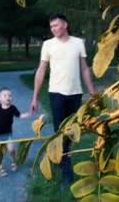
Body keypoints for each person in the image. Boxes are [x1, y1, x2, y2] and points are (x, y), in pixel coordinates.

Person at [30, 13, 96, 186]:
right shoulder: (48, 45)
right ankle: (67, 174)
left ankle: (61, 157)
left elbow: (85, 69)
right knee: (60, 132)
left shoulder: (78, 43)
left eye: (56, 25)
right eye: (51, 27)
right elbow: (41, 70)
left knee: (72, 131)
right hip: (56, 93)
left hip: (75, 93)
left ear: (65, 24)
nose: (53, 29)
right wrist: (35, 97)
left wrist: (92, 93)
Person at [0, 87, 30, 177]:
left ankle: (13, 162)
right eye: (5, 95)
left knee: (11, 149)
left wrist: (28, 114)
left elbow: (20, 115)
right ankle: (0, 168)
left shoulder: (12, 108)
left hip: (8, 134)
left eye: (10, 95)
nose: (8, 97)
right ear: (0, 98)